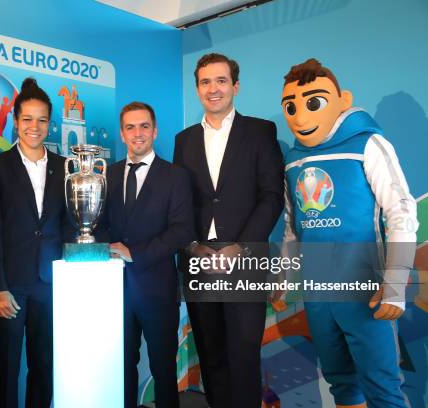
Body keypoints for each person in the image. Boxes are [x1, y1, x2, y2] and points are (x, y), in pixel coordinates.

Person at [279, 58, 417, 408]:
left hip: (364, 288)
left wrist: (395, 282)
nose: (300, 116)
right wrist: (284, 277)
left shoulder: (367, 145)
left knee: (383, 387)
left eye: (313, 103)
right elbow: (294, 228)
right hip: (319, 291)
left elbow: (401, 211)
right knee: (341, 383)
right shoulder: (294, 161)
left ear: (343, 100)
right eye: (290, 107)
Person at [173, 53, 284, 407]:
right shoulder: (184, 140)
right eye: (205, 82)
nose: (213, 89)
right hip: (198, 260)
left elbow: (272, 196)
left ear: (235, 86)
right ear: (197, 89)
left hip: (246, 259)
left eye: (221, 81)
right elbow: (180, 201)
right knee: (211, 355)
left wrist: (242, 246)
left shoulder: (260, 131)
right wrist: (192, 244)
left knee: (243, 354)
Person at [0, 77, 70, 408]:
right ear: (16, 122)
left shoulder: (66, 168)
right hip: (11, 285)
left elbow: (68, 225)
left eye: (42, 119)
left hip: (50, 284)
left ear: (50, 123)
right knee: (6, 367)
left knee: (44, 367)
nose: (35, 126)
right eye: (28, 119)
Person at [105, 102, 194, 408]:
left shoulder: (175, 176)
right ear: (122, 133)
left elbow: (182, 231)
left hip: (158, 289)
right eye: (130, 127)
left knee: (163, 371)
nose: (137, 133)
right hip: (116, 290)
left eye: (144, 126)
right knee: (122, 369)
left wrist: (135, 253)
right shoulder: (108, 174)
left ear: (155, 131)